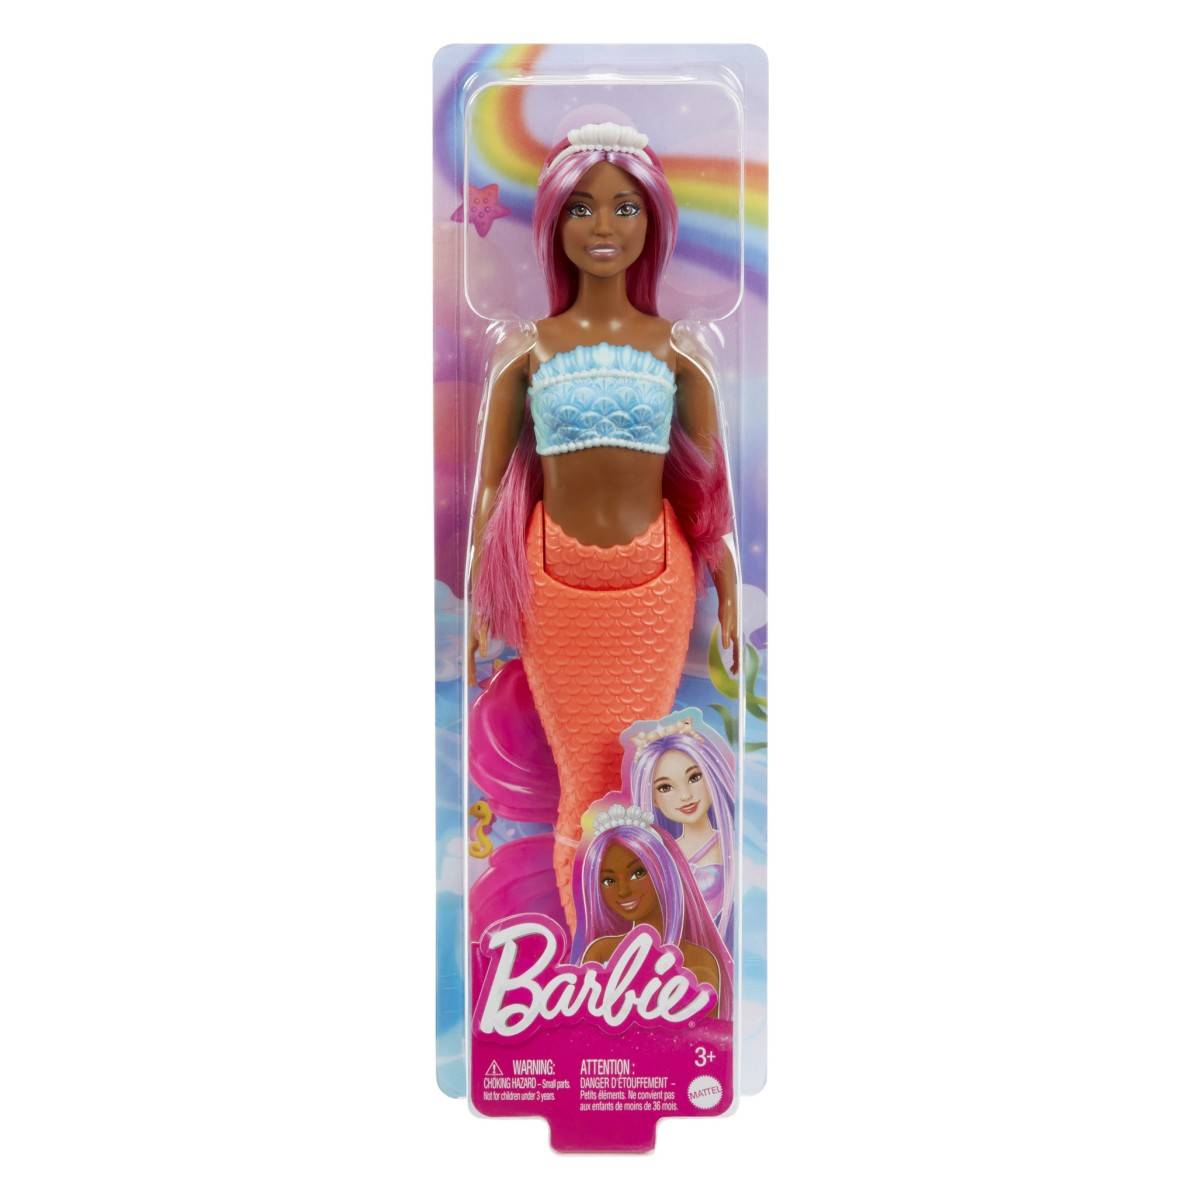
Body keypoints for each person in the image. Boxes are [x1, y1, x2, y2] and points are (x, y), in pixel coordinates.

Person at [466, 121, 740, 934]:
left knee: (640, 770)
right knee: (584, 780)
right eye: (582, 209)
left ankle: (647, 946)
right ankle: (590, 947)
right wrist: (482, 588)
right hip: (554, 585)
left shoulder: (678, 352)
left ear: (653, 220)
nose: (604, 227)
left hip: (655, 587)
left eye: (626, 208)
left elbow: (712, 494)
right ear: (555, 221)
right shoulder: (528, 351)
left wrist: (727, 584)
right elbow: (490, 489)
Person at [570, 804, 732, 1020]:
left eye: (638, 873)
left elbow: (706, 1034)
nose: (623, 890)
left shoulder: (700, 960)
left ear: (664, 870)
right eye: (608, 881)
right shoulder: (600, 952)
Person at [628, 715, 735, 942]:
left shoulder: (733, 844)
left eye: (694, 777)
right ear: (653, 798)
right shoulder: (658, 854)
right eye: (665, 787)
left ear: (711, 775)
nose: (685, 795)